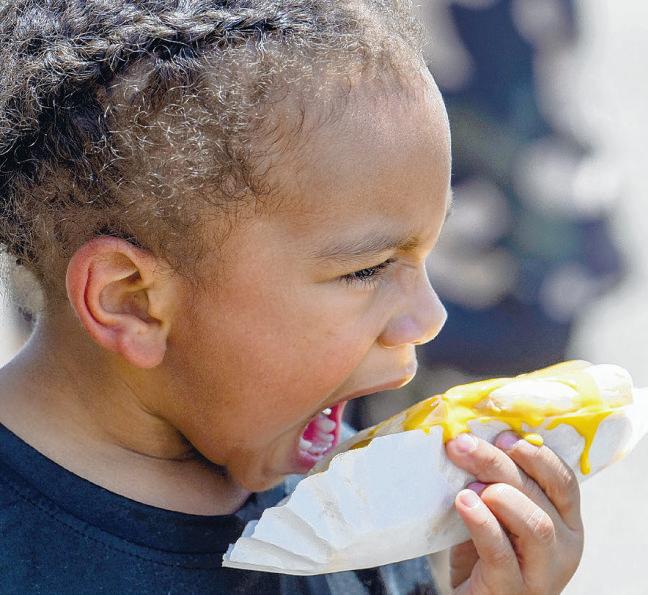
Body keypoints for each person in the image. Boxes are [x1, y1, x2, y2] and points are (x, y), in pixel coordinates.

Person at [0, 1, 583, 593]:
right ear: (133, 301)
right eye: (368, 270)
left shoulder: (356, 508)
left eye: (426, 257)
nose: (431, 319)